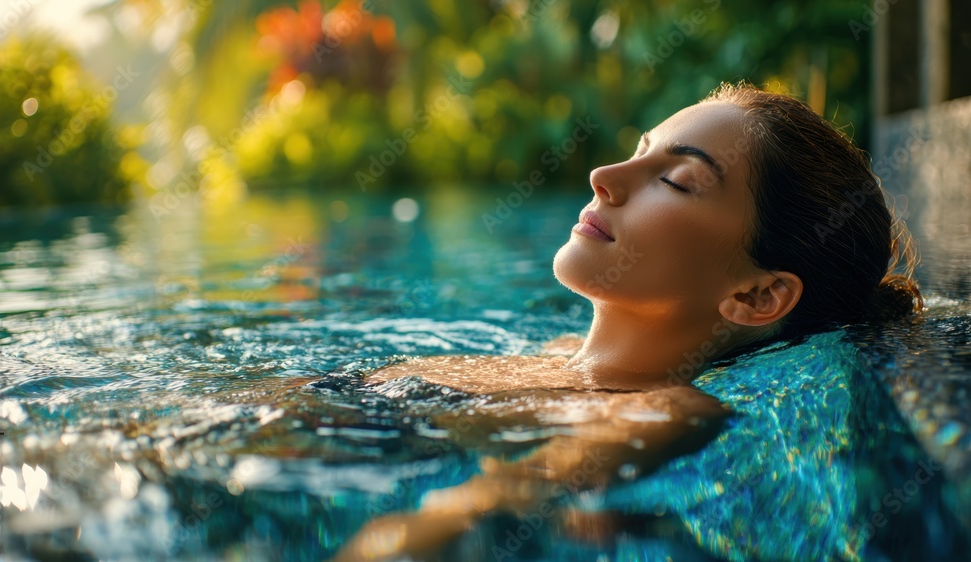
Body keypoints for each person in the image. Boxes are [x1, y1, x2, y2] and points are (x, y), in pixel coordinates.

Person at [331, 81, 924, 561]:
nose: (605, 177)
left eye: (676, 180)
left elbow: (478, 509)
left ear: (757, 294)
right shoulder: (557, 352)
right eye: (641, 151)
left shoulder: (659, 409)